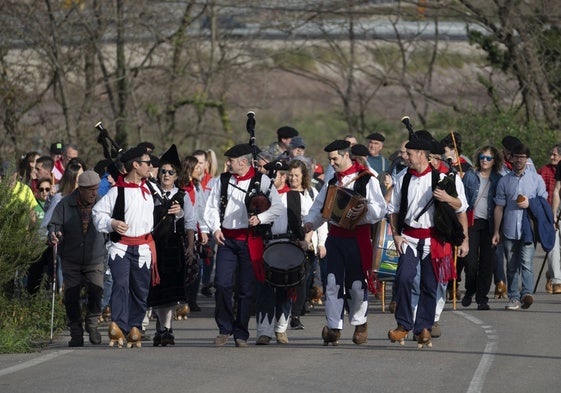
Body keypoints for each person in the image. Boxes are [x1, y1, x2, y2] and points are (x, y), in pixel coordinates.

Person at [387, 136, 468, 348]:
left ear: (422, 154)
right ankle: (403, 325)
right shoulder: (403, 177)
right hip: (409, 239)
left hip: (435, 240)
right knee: (404, 279)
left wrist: (446, 198)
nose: (406, 158)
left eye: (410, 154)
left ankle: (423, 328)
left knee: (430, 285)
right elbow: (394, 210)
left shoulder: (445, 178)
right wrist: (396, 234)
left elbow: (461, 206)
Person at [303, 139, 386, 346]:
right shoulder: (332, 182)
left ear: (346, 155)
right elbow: (320, 207)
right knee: (332, 283)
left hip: (358, 238)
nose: (332, 163)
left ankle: (360, 322)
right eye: (330, 159)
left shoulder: (368, 180)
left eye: (335, 158)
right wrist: (310, 223)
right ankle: (333, 327)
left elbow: (380, 209)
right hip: (336, 238)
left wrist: (360, 212)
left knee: (357, 285)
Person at [204, 143, 283, 347]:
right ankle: (224, 328)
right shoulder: (222, 180)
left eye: (231, 161)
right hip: (227, 240)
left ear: (244, 162)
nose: (227, 164)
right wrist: (215, 229)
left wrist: (261, 218)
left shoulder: (262, 180)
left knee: (246, 289)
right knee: (222, 284)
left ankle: (241, 332)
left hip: (249, 240)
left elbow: (277, 207)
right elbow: (211, 207)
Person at [92, 146, 156, 348]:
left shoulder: (150, 189)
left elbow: (167, 206)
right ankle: (118, 324)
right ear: (136, 165)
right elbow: (97, 213)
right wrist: (112, 223)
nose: (150, 167)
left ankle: (135, 326)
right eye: (147, 163)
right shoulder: (116, 191)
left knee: (140, 288)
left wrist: (176, 209)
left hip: (144, 247)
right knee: (120, 284)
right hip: (121, 246)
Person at [47, 170, 106, 347]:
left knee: (96, 291)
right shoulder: (65, 204)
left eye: (95, 189)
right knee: (71, 296)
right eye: (89, 190)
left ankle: (92, 323)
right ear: (80, 189)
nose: (94, 193)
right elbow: (53, 225)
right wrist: (53, 234)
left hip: (95, 257)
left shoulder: (102, 203)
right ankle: (75, 332)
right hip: (71, 258)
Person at [492, 144, 553, 310]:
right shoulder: (504, 181)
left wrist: (530, 203)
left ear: (527, 160)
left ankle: (526, 294)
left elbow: (544, 204)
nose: (519, 160)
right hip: (509, 229)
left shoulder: (536, 179)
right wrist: (496, 231)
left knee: (526, 262)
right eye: (516, 156)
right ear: (511, 158)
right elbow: (499, 207)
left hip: (529, 229)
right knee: (511, 266)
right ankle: (513, 298)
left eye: (522, 157)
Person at [148, 145, 196, 346]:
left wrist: (190, 247)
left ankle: (166, 328)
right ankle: (161, 327)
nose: (166, 175)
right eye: (163, 171)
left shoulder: (183, 196)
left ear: (176, 176)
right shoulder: (150, 193)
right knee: (157, 290)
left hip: (174, 246)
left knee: (170, 290)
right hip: (153, 245)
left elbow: (191, 223)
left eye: (170, 172)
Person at [287, 159, 327, 330]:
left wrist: (320, 243)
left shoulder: (311, 193)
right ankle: (285, 312)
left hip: (307, 243)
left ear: (303, 176)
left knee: (303, 280)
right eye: (290, 175)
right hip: (287, 241)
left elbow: (320, 218)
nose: (292, 178)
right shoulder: (283, 193)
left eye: (296, 175)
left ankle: (296, 315)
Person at [461, 146, 503, 310]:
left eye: (488, 158)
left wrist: (498, 230)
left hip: (490, 224)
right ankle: (470, 289)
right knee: (470, 261)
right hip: (472, 222)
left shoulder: (498, 179)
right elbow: (462, 201)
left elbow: (500, 205)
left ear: (494, 161)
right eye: (482, 157)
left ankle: (482, 298)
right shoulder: (470, 176)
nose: (484, 160)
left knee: (487, 263)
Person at [179, 155, 210, 312]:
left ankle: (191, 298)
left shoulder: (196, 187)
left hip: (195, 231)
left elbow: (201, 210)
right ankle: (184, 298)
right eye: (197, 168)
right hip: (184, 232)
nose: (201, 170)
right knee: (188, 266)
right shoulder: (184, 189)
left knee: (195, 266)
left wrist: (203, 229)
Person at [539, 143, 561, 294]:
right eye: (551, 154)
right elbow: (555, 191)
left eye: (555, 154)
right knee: (553, 246)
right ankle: (557, 280)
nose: (552, 157)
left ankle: (552, 274)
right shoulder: (545, 170)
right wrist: (551, 214)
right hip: (550, 212)